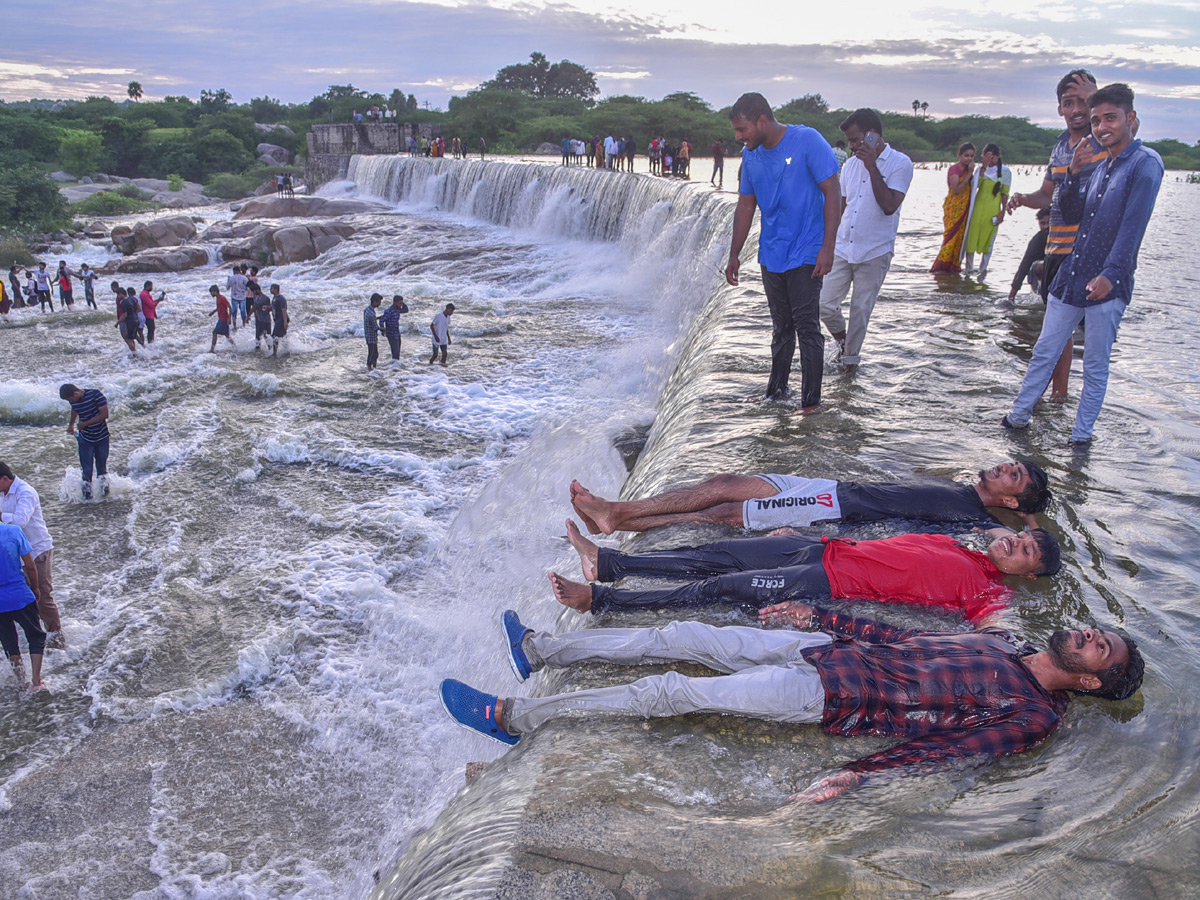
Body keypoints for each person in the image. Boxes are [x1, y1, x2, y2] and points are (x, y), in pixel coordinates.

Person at [440, 606, 1144, 803]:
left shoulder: (1034, 716)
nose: (1087, 635)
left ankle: (516, 718)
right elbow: (907, 639)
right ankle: (541, 650)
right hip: (825, 651)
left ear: (1088, 681)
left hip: (829, 694)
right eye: (1096, 631)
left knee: (673, 691)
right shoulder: (1011, 642)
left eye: (1099, 649)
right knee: (684, 634)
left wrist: (860, 776)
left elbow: (950, 751)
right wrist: (817, 616)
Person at [1002, 83, 1163, 447]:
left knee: (1094, 365)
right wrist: (1072, 176)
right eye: (1096, 121)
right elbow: (1071, 213)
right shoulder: (1098, 163)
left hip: (1106, 283)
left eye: (1110, 118)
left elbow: (1133, 226)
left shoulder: (1145, 164)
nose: (1102, 127)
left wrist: (1111, 274)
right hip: (1071, 278)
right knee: (1044, 350)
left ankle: (1081, 439)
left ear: (1130, 119)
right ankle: (1016, 420)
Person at [552, 523, 1060, 623]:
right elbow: (1000, 527)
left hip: (829, 584)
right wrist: (807, 534)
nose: (1017, 543)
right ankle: (613, 562)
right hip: (820, 550)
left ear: (1028, 576)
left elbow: (997, 633)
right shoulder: (957, 544)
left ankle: (601, 600)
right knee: (719, 551)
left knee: (717, 587)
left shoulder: (991, 593)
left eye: (1028, 552)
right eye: (1021, 538)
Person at [725, 92, 841, 410]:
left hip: (806, 249)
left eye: (742, 129)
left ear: (762, 120)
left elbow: (833, 190)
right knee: (781, 328)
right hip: (772, 252)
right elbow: (746, 205)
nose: (739, 137)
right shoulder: (750, 156)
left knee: (807, 327)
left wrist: (827, 248)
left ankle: (810, 405)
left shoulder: (807, 141)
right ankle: (776, 393)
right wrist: (734, 253)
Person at [570, 460, 1049, 535]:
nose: (1006, 468)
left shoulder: (972, 517)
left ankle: (616, 516)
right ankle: (615, 515)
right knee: (722, 483)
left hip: (836, 509)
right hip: (827, 488)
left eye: (1015, 477)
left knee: (722, 513)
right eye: (1012, 465)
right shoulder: (959, 485)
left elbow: (1026, 547)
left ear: (1011, 501)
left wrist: (1030, 521)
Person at [1006, 70, 1109, 400]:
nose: (1077, 108)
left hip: (1090, 251)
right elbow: (1047, 195)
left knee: (1092, 333)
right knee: (1057, 329)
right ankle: (1059, 395)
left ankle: (1086, 409)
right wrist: (1023, 199)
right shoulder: (1060, 148)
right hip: (1056, 248)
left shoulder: (1104, 139)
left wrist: (1097, 98)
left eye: (1084, 100)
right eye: (1069, 103)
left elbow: (1130, 132)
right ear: (1059, 109)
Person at [818, 109, 914, 374]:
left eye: (855, 139)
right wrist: (825, 244)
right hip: (843, 246)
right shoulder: (849, 165)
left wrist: (872, 166)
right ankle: (842, 342)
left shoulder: (900, 163)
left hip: (875, 250)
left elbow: (889, 205)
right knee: (824, 304)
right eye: (848, 141)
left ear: (873, 135)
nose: (851, 146)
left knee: (860, 310)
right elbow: (842, 206)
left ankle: (850, 366)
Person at [0, 463, 61, 647]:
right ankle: (36, 638)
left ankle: (57, 638)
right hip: (17, 553)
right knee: (23, 598)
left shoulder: (26, 492)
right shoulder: (3, 493)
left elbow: (20, 521)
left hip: (37, 550)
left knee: (43, 596)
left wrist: (1, 514)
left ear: (4, 479)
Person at [0, 522, 45, 690]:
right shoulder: (13, 531)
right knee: (35, 636)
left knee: (9, 642)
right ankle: (36, 681)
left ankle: (21, 681)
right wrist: (35, 587)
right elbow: (30, 566)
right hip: (20, 595)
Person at [962, 143, 1011, 278]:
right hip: (977, 208)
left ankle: (983, 270)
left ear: (998, 157)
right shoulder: (980, 170)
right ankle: (968, 269)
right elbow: (975, 186)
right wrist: (984, 166)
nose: (990, 160)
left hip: (992, 210)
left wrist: (1002, 212)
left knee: (988, 240)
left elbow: (1005, 193)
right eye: (987, 156)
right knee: (972, 237)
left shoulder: (1005, 171)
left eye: (993, 157)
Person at [930, 143, 976, 275]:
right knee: (951, 238)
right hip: (954, 208)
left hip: (965, 208)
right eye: (966, 155)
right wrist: (969, 174)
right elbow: (957, 189)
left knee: (960, 239)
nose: (969, 158)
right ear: (959, 155)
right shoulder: (954, 169)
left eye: (971, 156)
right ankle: (940, 267)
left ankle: (953, 267)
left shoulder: (970, 170)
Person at [60, 383, 110, 500]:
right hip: (85, 439)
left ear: (76, 393)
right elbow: (74, 409)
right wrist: (71, 424)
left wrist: (85, 424)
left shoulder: (96, 395)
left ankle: (105, 497)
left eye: (70, 399)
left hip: (102, 437)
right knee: (86, 470)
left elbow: (104, 414)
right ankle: (87, 499)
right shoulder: (73, 400)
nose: (70, 402)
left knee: (102, 468)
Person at [1009, 207, 1052, 301]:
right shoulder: (1038, 238)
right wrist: (1011, 297)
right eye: (1042, 223)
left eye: (1049, 223)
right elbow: (1024, 266)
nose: (1046, 227)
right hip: (1041, 274)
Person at [379, 294, 409, 361]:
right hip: (391, 334)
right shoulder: (389, 311)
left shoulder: (398, 310)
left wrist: (402, 303)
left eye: (401, 303)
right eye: (400, 303)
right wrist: (383, 330)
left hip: (397, 333)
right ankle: (394, 368)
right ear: (395, 302)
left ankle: (395, 367)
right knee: (395, 354)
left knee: (397, 353)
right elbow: (382, 320)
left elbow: (406, 310)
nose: (401, 305)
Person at [208, 285, 234, 352]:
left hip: (223, 319)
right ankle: (235, 347)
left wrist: (229, 318)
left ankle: (212, 349)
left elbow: (230, 307)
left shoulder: (222, 298)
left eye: (212, 292)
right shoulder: (218, 298)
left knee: (214, 332)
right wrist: (213, 312)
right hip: (222, 318)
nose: (211, 294)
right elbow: (219, 307)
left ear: (215, 291)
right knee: (227, 335)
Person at [115, 288, 142, 353]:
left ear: (121, 294)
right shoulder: (133, 298)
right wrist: (132, 312)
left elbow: (125, 315)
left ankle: (135, 354)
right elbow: (139, 309)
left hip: (130, 322)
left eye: (118, 295)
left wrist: (117, 323)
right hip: (136, 320)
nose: (118, 297)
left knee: (129, 340)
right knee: (133, 338)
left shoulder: (123, 302)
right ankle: (140, 348)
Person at [250, 283, 273, 351]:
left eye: (254, 291)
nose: (253, 293)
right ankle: (257, 351)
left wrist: (266, 308)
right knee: (257, 337)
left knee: (267, 337)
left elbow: (270, 308)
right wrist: (249, 315)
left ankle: (271, 350)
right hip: (259, 320)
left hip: (266, 321)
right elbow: (254, 307)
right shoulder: (257, 297)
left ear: (258, 290)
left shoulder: (265, 298)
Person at [364, 293, 383, 371]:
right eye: (379, 302)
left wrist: (377, 318)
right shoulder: (371, 314)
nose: (380, 304)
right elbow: (376, 328)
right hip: (372, 337)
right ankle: (370, 369)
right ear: (374, 302)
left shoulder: (367, 310)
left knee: (372, 353)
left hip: (368, 335)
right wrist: (384, 329)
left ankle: (372, 368)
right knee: (373, 355)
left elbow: (371, 321)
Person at [269, 283, 289, 356]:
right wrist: (268, 308)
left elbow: (284, 310)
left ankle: (274, 353)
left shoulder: (281, 298)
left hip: (281, 319)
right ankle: (287, 350)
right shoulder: (274, 297)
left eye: (272, 288)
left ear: (275, 289)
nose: (270, 290)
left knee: (274, 336)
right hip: (277, 319)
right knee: (283, 335)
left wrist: (285, 322)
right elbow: (274, 308)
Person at [226, 264, 249, 329]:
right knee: (243, 311)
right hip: (242, 296)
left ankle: (234, 326)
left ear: (234, 271)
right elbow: (248, 288)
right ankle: (244, 325)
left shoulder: (231, 278)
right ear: (239, 271)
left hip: (234, 297)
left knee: (234, 311)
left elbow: (227, 287)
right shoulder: (244, 278)